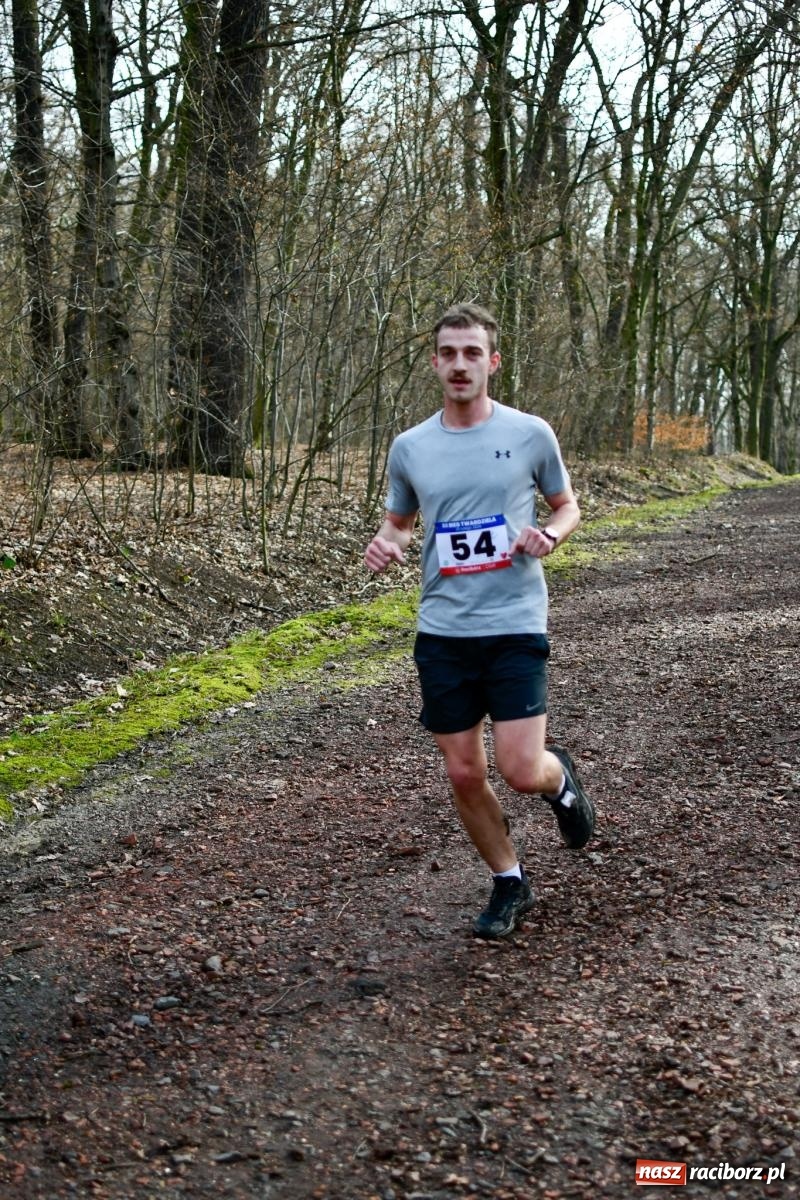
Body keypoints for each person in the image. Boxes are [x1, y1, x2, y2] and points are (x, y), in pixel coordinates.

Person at [364, 302, 595, 939]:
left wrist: (551, 533)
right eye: (448, 353)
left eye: (472, 353)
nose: (459, 364)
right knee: (464, 771)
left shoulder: (530, 434)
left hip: (515, 620)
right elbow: (401, 521)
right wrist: (388, 543)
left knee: (521, 772)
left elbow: (567, 504)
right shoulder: (410, 447)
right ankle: (509, 881)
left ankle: (560, 780)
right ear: (434, 362)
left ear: (492, 361)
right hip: (443, 630)